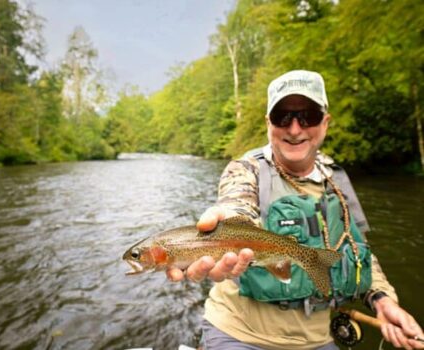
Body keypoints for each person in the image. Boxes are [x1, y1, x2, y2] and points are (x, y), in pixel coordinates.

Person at [167, 70, 424, 350]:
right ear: (268, 123)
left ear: (325, 123)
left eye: (308, 116)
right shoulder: (245, 170)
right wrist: (230, 222)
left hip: (317, 339)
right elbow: (235, 204)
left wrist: (382, 300)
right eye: (283, 117)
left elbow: (357, 249)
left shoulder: (336, 180)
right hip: (239, 335)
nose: (294, 129)